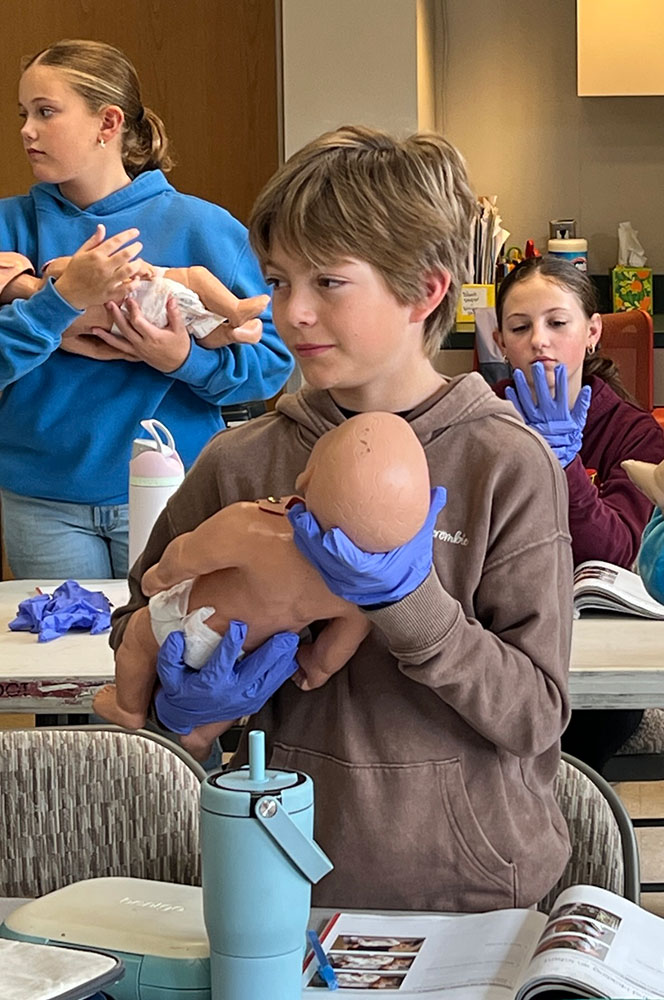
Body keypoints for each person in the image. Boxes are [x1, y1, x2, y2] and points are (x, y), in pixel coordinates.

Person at [112, 125, 574, 913]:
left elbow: (535, 713)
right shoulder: (240, 461)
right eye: (278, 279)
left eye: (328, 281)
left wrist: (409, 605)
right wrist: (180, 699)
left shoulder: (504, 463)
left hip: (473, 891)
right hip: (277, 878)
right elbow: (141, 623)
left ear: (425, 291)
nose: (293, 311)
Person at [0, 38, 293, 580]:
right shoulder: (7, 229)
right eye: (24, 113)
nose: (26, 130)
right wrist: (55, 309)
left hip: (173, 488)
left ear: (107, 123)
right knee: (68, 665)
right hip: (41, 500)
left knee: (168, 655)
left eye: (45, 112)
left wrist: (182, 359)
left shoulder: (207, 229)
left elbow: (273, 365)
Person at [94, 411, 433, 761]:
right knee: (241, 687)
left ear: (307, 476)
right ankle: (201, 737)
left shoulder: (256, 529)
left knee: (137, 638)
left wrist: (158, 578)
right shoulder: (351, 592)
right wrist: (315, 667)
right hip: (248, 655)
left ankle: (128, 708)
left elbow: (188, 553)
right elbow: (341, 641)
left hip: (185, 623)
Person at [492, 256, 664, 772]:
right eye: (520, 327)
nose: (539, 341)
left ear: (591, 333)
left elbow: (618, 554)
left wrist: (563, 465)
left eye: (557, 323)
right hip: (500, 636)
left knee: (593, 727)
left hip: (594, 647)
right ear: (501, 342)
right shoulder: (479, 418)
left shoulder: (635, 434)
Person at [0, 247, 270, 346]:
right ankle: (230, 329)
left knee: (195, 285)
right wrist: (119, 352)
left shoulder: (51, 272)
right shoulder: (38, 321)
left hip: (140, 292)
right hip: (132, 320)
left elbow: (90, 265)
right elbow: (88, 347)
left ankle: (234, 315)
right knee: (193, 328)